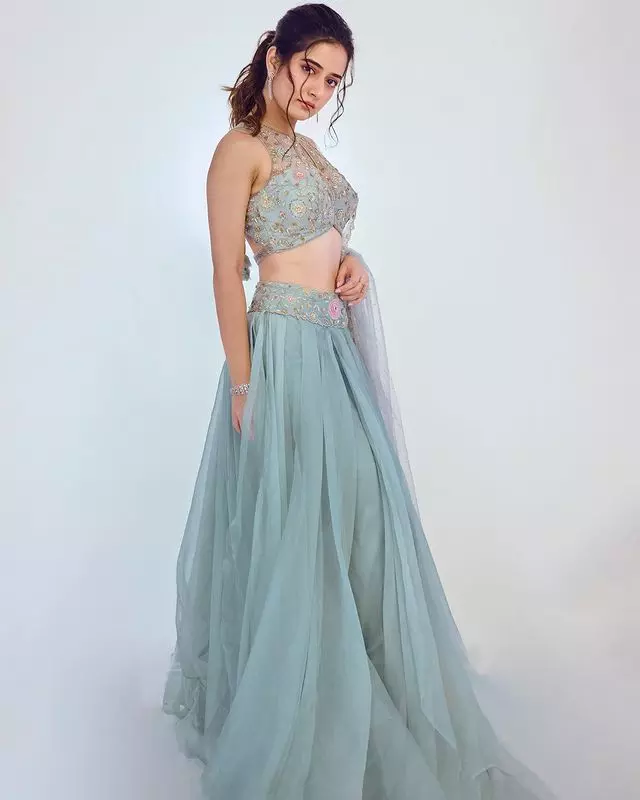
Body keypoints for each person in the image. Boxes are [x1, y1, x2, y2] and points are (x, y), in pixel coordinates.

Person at [162, 4, 557, 799]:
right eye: (309, 68)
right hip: (281, 355)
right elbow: (226, 272)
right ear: (274, 56)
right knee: (299, 529)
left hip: (333, 352)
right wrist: (244, 382)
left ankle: (364, 680)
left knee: (361, 518)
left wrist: (355, 266)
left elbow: (323, 245)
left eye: (332, 80)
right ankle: (300, 706)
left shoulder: (310, 153)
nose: (317, 90)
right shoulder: (240, 150)